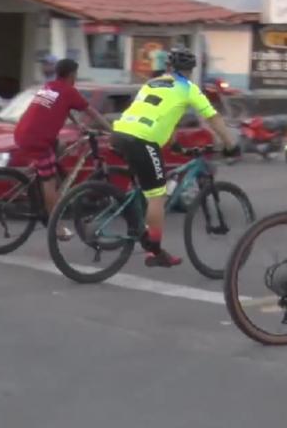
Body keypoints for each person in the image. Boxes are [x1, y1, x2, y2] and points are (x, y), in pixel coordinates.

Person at [111, 47, 240, 267]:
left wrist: (177, 147)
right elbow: (213, 118)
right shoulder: (188, 89)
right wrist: (230, 143)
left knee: (146, 182)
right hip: (143, 139)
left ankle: (136, 220)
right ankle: (155, 252)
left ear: (169, 67)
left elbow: (160, 115)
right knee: (157, 195)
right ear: (190, 71)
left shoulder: (152, 83)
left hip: (120, 132)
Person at [13, 59, 111, 240]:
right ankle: (55, 226)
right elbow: (93, 113)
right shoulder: (69, 91)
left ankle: (38, 173)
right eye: (76, 74)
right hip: (38, 140)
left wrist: (78, 124)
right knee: (49, 181)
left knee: (60, 145)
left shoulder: (49, 87)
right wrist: (112, 131)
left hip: (21, 133)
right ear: (72, 74)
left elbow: (63, 108)